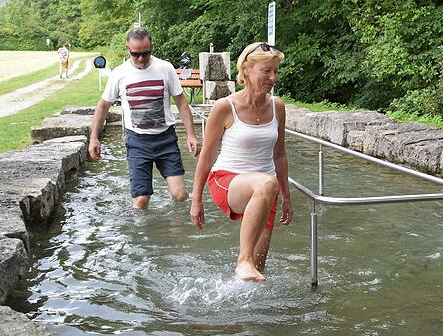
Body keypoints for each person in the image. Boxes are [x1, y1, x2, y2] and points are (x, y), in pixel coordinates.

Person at [190, 42, 292, 282]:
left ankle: (243, 309)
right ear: (246, 69)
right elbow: (206, 157)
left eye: (276, 71)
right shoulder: (225, 107)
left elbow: (280, 154)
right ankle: (242, 260)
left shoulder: (277, 106)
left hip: (267, 191)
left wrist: (286, 197)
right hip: (227, 181)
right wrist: (196, 200)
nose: (273, 77)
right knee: (266, 184)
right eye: (266, 71)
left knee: (258, 270)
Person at [88, 26, 199, 209]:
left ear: (152, 47)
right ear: (127, 49)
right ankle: (142, 236)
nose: (141, 59)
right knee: (141, 201)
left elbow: (181, 103)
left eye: (146, 53)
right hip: (137, 141)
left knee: (180, 195)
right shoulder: (119, 74)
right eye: (135, 54)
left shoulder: (165, 68)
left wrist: (191, 135)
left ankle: (180, 229)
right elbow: (103, 106)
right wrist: (94, 138)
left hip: (166, 139)